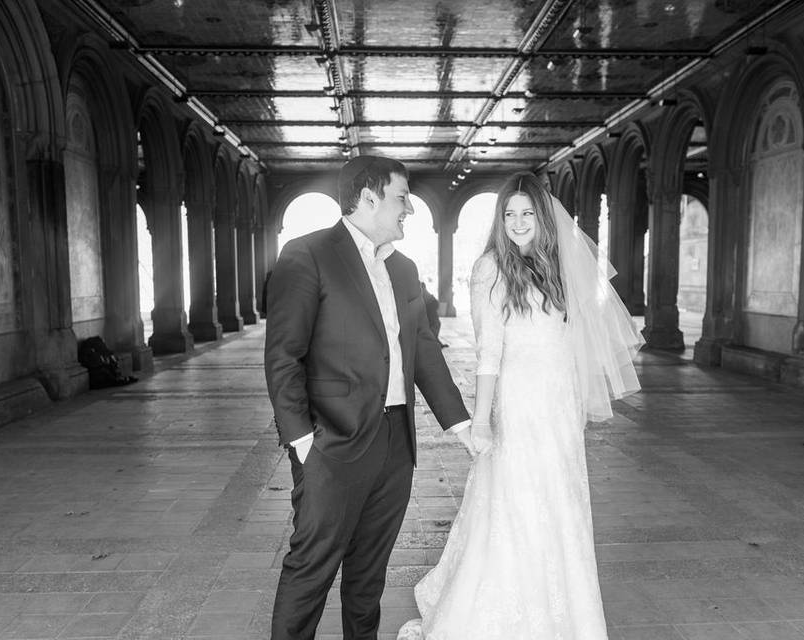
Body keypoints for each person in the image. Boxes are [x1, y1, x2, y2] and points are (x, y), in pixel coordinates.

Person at [398, 172, 644, 640]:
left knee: (561, 508)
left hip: (559, 408)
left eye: (526, 213)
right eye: (509, 214)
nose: (517, 222)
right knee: (516, 508)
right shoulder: (491, 268)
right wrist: (482, 421)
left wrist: (574, 402)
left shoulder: (558, 269)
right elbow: (489, 352)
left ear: (543, 217)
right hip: (518, 405)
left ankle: (567, 619)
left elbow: (575, 342)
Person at [264, 155, 475, 640]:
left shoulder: (403, 269)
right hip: (330, 444)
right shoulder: (307, 254)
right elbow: (283, 356)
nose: (410, 210)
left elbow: (423, 349)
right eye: (402, 198)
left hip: (395, 444)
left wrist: (462, 426)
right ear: (369, 197)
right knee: (311, 566)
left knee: (368, 576)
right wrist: (302, 443)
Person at [420, 282, 447, 347]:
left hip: (430, 304)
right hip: (430, 304)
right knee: (434, 325)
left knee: (435, 325)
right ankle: (435, 342)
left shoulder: (420, 287)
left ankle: (436, 342)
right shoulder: (420, 287)